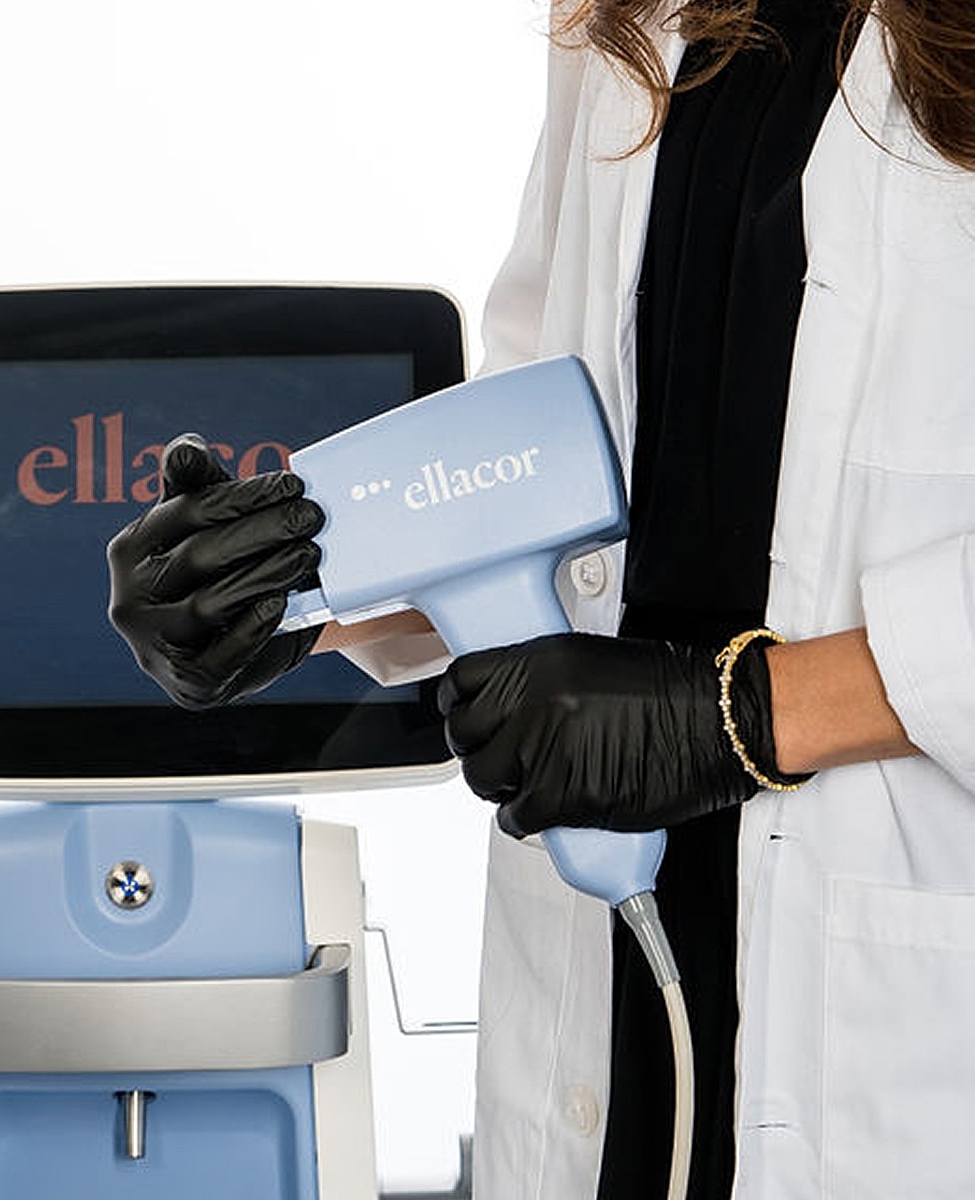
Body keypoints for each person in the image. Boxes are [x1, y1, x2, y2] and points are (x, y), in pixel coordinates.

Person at [108, 0, 975, 1197]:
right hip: (606, 992)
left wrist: (750, 712)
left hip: (912, 1031)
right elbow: (545, 445)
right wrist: (301, 589)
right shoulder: (629, 22)